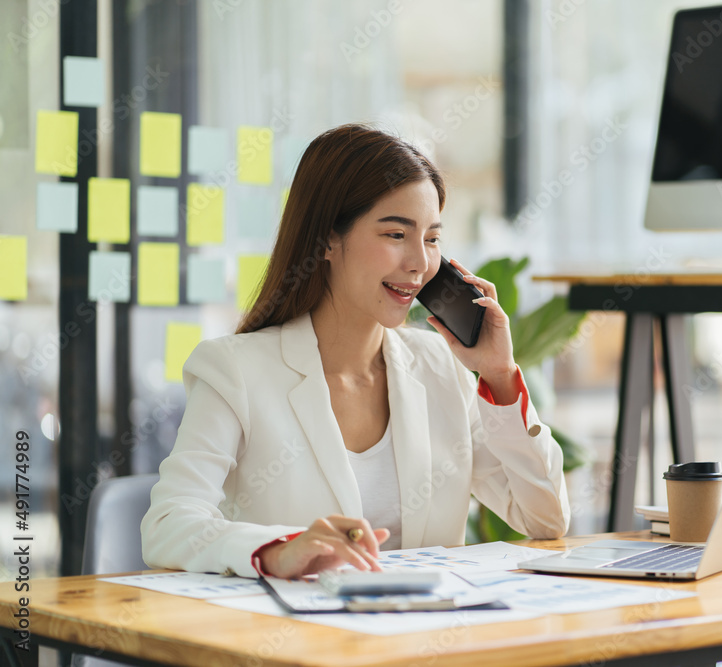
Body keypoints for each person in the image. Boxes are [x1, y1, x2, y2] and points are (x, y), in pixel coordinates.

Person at [140, 124, 571, 579]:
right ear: (327, 238)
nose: (420, 264)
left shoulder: (441, 367)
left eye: (431, 238)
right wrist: (280, 551)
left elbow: (544, 520)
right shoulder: (235, 371)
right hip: (304, 642)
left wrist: (500, 377)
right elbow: (169, 525)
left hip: (427, 637)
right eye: (395, 234)